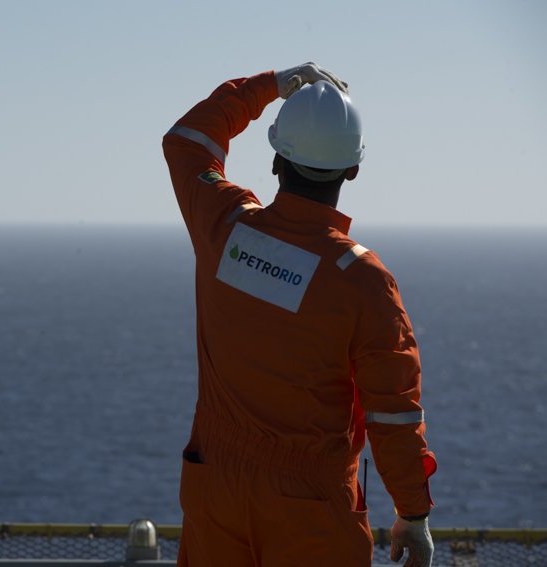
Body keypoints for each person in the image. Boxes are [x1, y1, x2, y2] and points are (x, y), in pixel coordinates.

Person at [162, 63, 437, 567]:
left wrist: (271, 85)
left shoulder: (225, 225)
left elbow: (186, 140)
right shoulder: (363, 281)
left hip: (213, 483)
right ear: (351, 170)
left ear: (275, 160)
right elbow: (393, 415)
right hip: (308, 508)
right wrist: (412, 515)